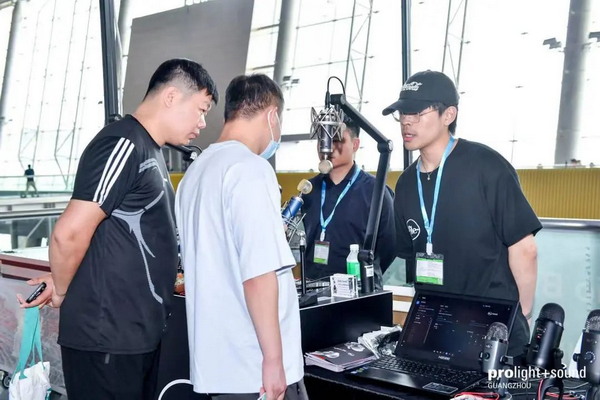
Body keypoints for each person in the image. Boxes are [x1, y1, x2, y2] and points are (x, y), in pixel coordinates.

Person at [19, 58, 218, 400]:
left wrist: (67, 278)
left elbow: (108, 236)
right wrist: (64, 291)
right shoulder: (122, 144)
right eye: (200, 110)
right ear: (171, 97)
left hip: (134, 336)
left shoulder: (150, 150)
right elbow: (69, 234)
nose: (202, 123)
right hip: (107, 338)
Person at [383, 70, 541, 356]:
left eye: (417, 112)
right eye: (403, 113)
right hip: (434, 329)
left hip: (493, 329)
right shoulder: (406, 183)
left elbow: (525, 249)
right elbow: (410, 255)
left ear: (449, 115)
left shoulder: (487, 166)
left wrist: (522, 317)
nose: (407, 121)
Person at [175, 74, 306, 400]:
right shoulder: (250, 169)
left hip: (218, 370)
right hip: (255, 370)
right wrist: (273, 361)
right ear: (272, 116)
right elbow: (258, 274)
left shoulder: (195, 174)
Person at [301, 116, 396, 289]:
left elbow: (389, 246)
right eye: (323, 140)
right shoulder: (309, 189)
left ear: (355, 144)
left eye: (337, 140)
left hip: (359, 291)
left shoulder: (376, 191)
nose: (328, 147)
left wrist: (366, 274)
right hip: (313, 289)